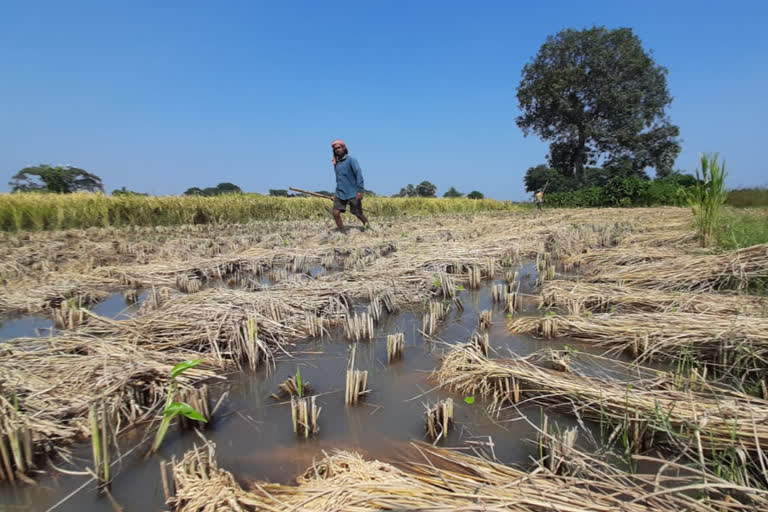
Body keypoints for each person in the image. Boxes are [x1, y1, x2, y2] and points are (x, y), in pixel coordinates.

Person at [330, 139, 369, 232]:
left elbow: (358, 174)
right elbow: (338, 180)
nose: (337, 150)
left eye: (339, 148)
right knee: (335, 213)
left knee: (358, 213)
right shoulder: (336, 164)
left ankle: (368, 228)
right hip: (340, 192)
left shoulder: (351, 160)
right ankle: (342, 233)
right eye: (335, 149)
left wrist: (360, 191)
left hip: (353, 192)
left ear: (344, 148)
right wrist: (335, 194)